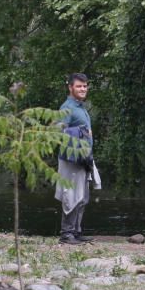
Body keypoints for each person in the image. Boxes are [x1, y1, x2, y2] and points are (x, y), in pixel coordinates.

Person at [55, 73, 94, 245]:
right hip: (71, 159)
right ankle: (66, 234)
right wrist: (80, 134)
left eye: (85, 86)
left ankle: (76, 232)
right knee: (70, 195)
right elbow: (58, 132)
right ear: (70, 87)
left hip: (83, 158)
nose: (83, 89)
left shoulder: (80, 106)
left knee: (83, 196)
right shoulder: (67, 107)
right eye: (79, 86)